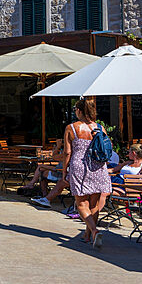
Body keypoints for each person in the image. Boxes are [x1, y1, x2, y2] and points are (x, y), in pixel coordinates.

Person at [62, 98, 112, 248]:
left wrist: (64, 170)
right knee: (94, 203)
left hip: (80, 167)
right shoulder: (100, 128)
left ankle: (94, 231)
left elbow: (67, 152)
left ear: (79, 111)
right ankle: (87, 234)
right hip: (98, 167)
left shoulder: (72, 128)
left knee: (81, 204)